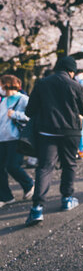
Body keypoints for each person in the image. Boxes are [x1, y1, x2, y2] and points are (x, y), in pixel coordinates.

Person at [24, 56, 83, 226]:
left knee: (45, 168)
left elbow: (30, 111)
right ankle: (67, 199)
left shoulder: (42, 83)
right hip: (71, 132)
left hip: (47, 132)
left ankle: (37, 208)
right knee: (69, 164)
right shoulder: (76, 85)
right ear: (72, 71)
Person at [0, 75, 34, 208]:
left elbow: (32, 116)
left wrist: (15, 114)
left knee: (12, 166)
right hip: (2, 139)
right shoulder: (4, 101)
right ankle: (6, 196)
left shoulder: (23, 99)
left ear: (6, 84)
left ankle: (29, 184)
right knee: (0, 168)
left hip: (15, 138)